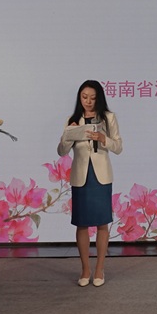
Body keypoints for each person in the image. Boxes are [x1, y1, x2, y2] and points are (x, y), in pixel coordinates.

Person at [57, 80, 123, 287]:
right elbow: (61, 151)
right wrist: (69, 135)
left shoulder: (108, 117)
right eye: (84, 97)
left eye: (93, 98)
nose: (88, 101)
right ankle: (85, 269)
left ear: (99, 98)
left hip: (101, 176)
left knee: (102, 223)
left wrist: (104, 139)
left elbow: (118, 147)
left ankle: (99, 269)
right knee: (82, 223)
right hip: (81, 175)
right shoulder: (72, 119)